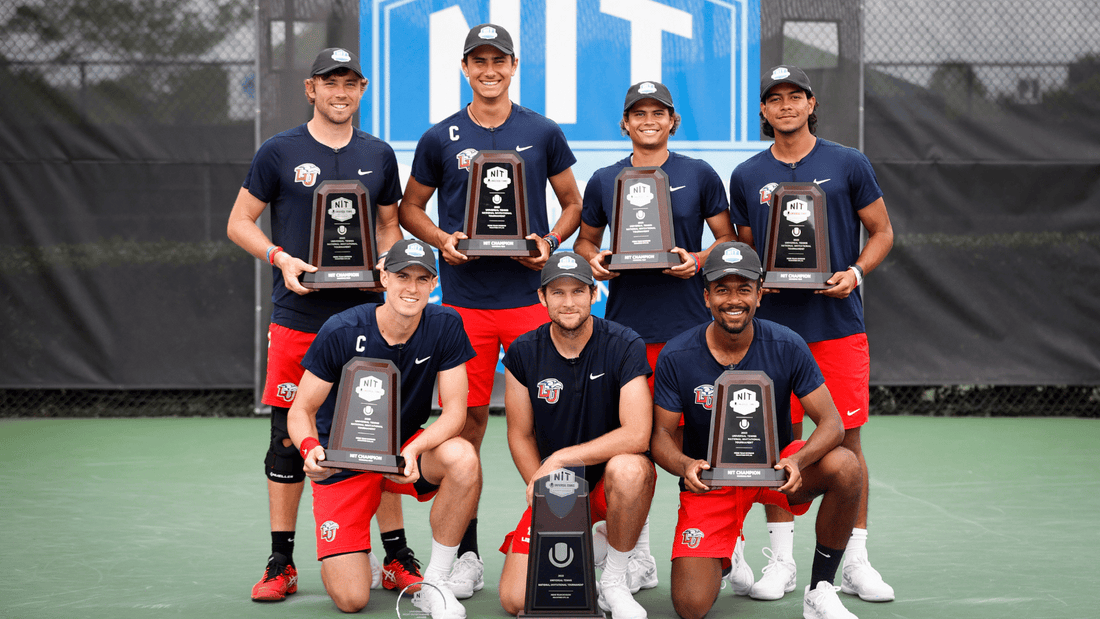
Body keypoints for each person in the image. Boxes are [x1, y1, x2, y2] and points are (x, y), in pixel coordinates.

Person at [398, 23, 584, 596]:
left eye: (498, 60)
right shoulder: (441, 136)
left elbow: (573, 203)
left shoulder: (542, 131)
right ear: (465, 68)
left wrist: (550, 244)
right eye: (478, 61)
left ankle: (560, 544)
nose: (489, 70)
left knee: (551, 425)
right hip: (467, 307)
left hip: (532, 303)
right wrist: (443, 240)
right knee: (469, 427)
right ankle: (467, 554)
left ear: (512, 66)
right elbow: (410, 209)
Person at [226, 47, 405, 602]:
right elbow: (239, 223)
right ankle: (282, 562)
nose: (340, 92)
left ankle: (396, 557)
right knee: (287, 439)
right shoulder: (279, 151)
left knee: (383, 433)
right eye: (330, 82)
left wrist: (387, 265)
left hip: (366, 322)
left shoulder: (378, 154)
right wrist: (281, 258)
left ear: (362, 88)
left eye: (350, 83)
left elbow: (390, 228)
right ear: (311, 89)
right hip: (300, 317)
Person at [727, 65, 895, 603]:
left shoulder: (848, 162)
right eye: (774, 99)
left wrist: (857, 272)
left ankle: (856, 560)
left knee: (846, 439)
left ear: (810, 102)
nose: (784, 106)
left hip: (837, 327)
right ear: (763, 111)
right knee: (773, 439)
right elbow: (751, 249)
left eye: (793, 96)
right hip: (772, 332)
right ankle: (781, 560)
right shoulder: (748, 173)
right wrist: (760, 280)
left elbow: (882, 231)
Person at [572, 79, 735, 592]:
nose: (648, 120)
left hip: (691, 332)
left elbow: (727, 241)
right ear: (625, 123)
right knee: (637, 447)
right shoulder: (603, 179)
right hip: (627, 334)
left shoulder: (699, 173)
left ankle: (728, 548)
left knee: (705, 438)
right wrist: (593, 262)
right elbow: (586, 244)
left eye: (657, 112)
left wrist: (699, 259)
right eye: (637, 113)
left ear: (672, 121)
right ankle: (635, 552)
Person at [651, 242, 864, 619]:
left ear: (760, 294)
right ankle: (725, 555)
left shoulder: (786, 344)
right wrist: (685, 465)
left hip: (775, 472)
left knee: (846, 466)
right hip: (712, 480)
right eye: (722, 289)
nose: (734, 300)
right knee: (689, 606)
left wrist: (798, 459)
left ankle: (821, 589)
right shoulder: (677, 354)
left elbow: (831, 422)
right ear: (706, 297)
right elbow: (661, 437)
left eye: (744, 289)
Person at [287, 239, 480, 618]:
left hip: (403, 452)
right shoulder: (342, 329)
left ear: (433, 285)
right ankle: (359, 550)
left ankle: (436, 582)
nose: (412, 287)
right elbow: (301, 410)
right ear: (383, 277)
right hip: (342, 456)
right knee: (352, 599)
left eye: (423, 279)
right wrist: (311, 449)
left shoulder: (445, 324)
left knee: (463, 457)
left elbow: (455, 412)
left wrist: (412, 449)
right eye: (402, 276)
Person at [498, 252, 655, 619]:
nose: (568, 302)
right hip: (560, 489)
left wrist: (561, 457)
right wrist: (542, 489)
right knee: (516, 600)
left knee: (629, 469)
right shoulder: (523, 351)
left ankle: (615, 579)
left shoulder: (624, 342)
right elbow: (519, 435)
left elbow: (638, 435)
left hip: (607, 483)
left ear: (593, 292)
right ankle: (593, 544)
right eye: (558, 292)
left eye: (577, 291)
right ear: (543, 298)